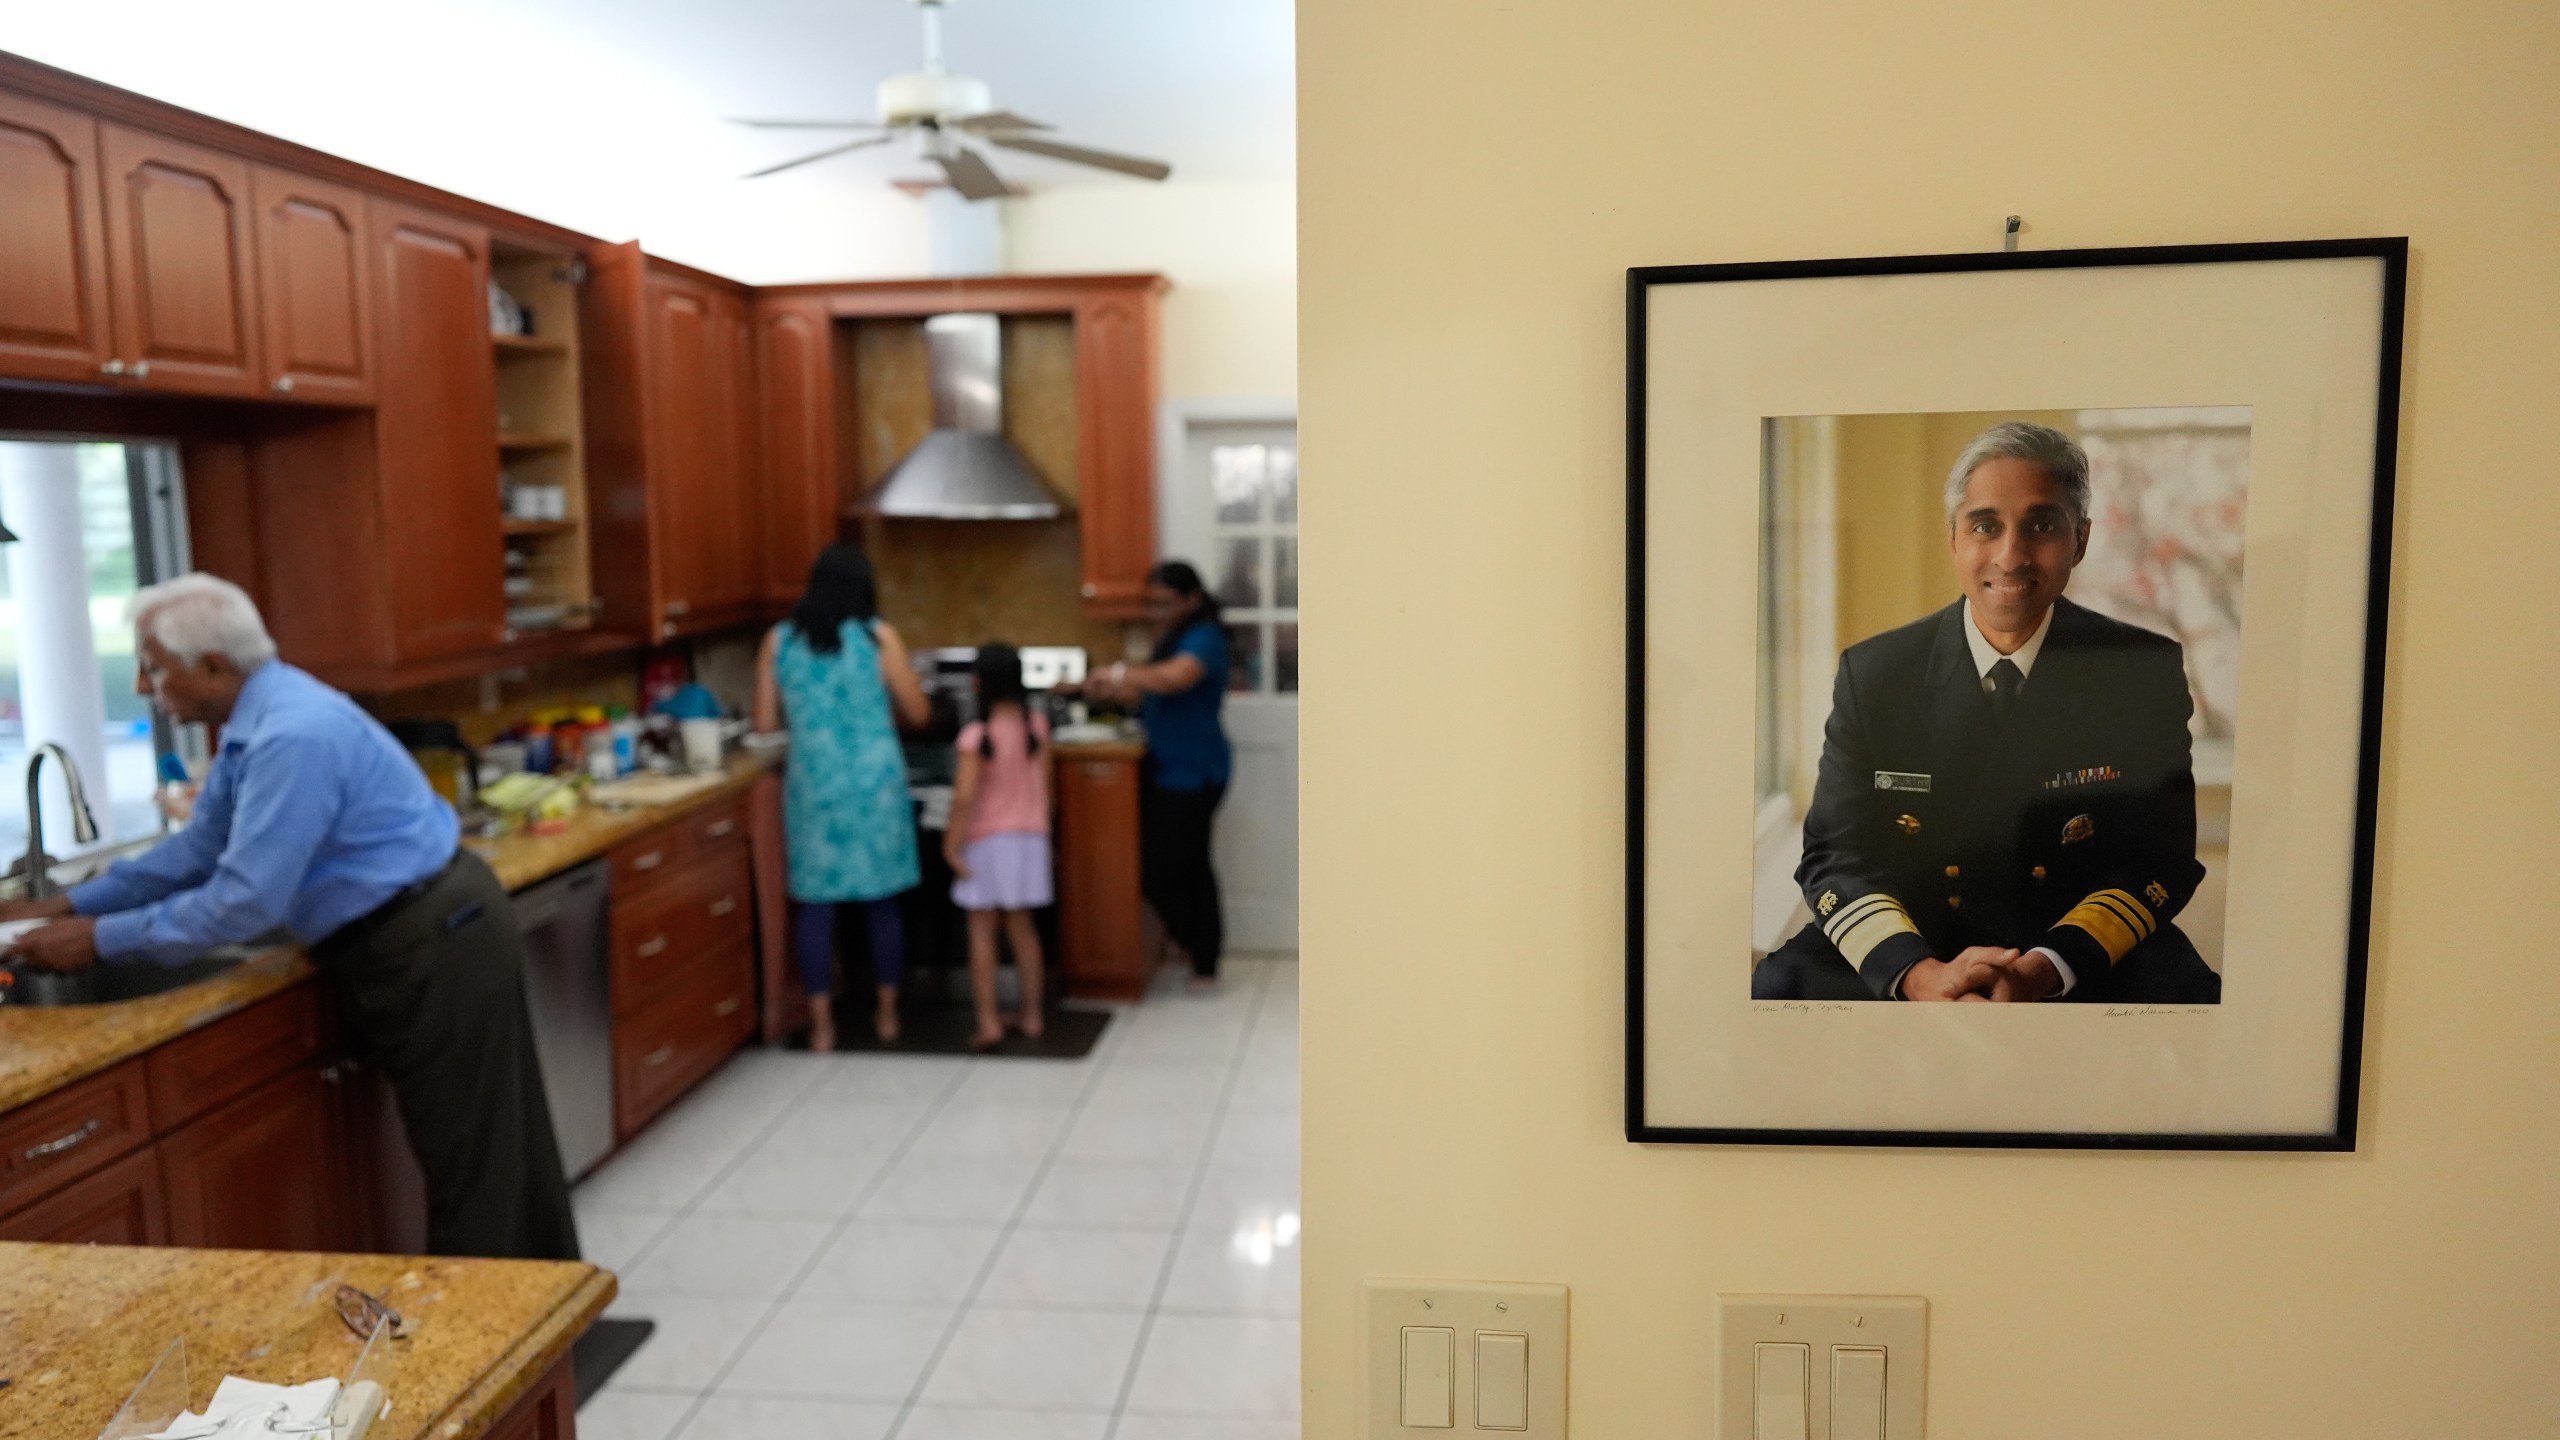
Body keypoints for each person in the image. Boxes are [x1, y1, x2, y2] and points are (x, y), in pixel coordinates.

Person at [0, 574, 579, 1257]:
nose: (140, 687)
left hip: (431, 937)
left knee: (475, 1164)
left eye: (153, 667)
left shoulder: (289, 736)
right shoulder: (256, 722)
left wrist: (95, 940)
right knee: (496, 1147)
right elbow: (199, 848)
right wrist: (66, 903)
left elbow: (243, 901)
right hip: (425, 924)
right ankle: (545, 1326)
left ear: (213, 666)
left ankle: (497, 1343)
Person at [1752, 421, 2221, 1004]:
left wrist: (2046, 969)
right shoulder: (1875, 674)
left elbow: (2160, 857)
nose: (2011, 554)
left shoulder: (2139, 673)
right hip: (1913, 943)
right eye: (1984, 525)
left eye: (2042, 525)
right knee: (1777, 987)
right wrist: (1918, 975)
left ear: (2080, 540)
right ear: (1953, 538)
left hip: (2070, 950)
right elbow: (1835, 853)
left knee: (2190, 1000)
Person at [754, 544, 928, 1049]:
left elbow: (765, 724)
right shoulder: (879, 638)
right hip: (875, 784)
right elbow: (918, 713)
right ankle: (888, 1016)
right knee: (881, 903)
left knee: (815, 906)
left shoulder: (779, 642)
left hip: (815, 785)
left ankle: (823, 1026)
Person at [1085, 560, 1233, 990]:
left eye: (1166, 604)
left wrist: (1119, 672)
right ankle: (1202, 957)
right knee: (1189, 865)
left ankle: (1199, 951)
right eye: (1152, 605)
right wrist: (1111, 688)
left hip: (1196, 770)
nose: (1158, 613)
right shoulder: (1175, 634)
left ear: (1193, 598)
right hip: (1171, 766)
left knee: (1162, 870)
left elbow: (1174, 679)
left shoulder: (1206, 637)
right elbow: (1152, 688)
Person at [943, 644, 1053, 1049]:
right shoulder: (1036, 727)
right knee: (1023, 928)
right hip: (1030, 841)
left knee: (982, 932)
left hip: (988, 842)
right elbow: (1047, 787)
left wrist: (952, 845)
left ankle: (988, 1021)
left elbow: (964, 797)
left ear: (976, 685)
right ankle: (1032, 1015)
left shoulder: (976, 736)